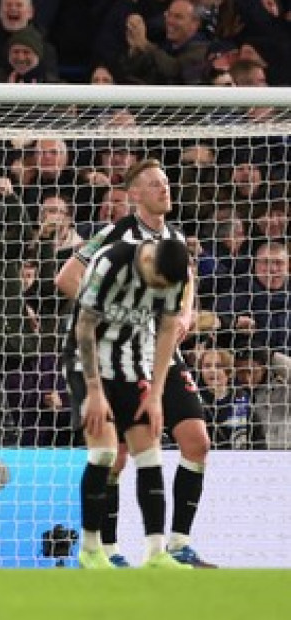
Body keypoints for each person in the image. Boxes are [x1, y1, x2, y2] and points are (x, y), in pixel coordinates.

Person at [54, 159, 215, 568]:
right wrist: (120, 313)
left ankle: (175, 546)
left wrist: (184, 314)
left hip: (157, 355)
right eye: (155, 184)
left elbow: (185, 285)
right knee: (115, 455)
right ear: (135, 194)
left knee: (196, 440)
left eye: (166, 182)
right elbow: (67, 279)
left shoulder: (174, 240)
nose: (165, 189)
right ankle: (105, 549)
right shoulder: (115, 237)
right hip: (109, 352)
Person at [66, 238, 193, 570]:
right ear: (148, 259)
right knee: (105, 453)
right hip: (88, 363)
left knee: (149, 453)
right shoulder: (110, 262)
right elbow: (84, 326)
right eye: (156, 282)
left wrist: (156, 394)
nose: (157, 289)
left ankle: (155, 553)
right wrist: (94, 391)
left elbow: (166, 332)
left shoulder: (174, 276)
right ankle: (91, 550)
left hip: (132, 365)